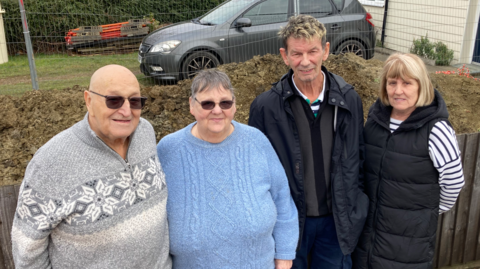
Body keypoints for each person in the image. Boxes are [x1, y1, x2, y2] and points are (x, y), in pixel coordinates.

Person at [11, 65, 171, 269]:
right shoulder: (51, 163)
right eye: (113, 100)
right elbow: (27, 251)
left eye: (135, 101)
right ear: (89, 101)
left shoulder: (145, 132)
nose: (126, 111)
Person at [248, 15, 368, 269]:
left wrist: (355, 210)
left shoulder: (348, 99)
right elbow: (256, 174)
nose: (305, 62)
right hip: (289, 224)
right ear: (284, 55)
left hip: (337, 224)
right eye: (297, 53)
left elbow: (359, 158)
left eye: (312, 51)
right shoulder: (265, 108)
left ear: (325, 51)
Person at [157, 69, 299, 269]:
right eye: (207, 103)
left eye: (225, 102)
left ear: (234, 105)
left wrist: (284, 256)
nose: (217, 110)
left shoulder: (256, 141)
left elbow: (283, 201)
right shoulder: (168, 150)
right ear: (191, 105)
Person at [352, 53, 465, 269]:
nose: (398, 90)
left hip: (408, 247)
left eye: (407, 83)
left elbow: (454, 182)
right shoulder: (374, 122)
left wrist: (426, 212)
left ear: (421, 85)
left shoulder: (437, 130)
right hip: (368, 241)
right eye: (392, 82)